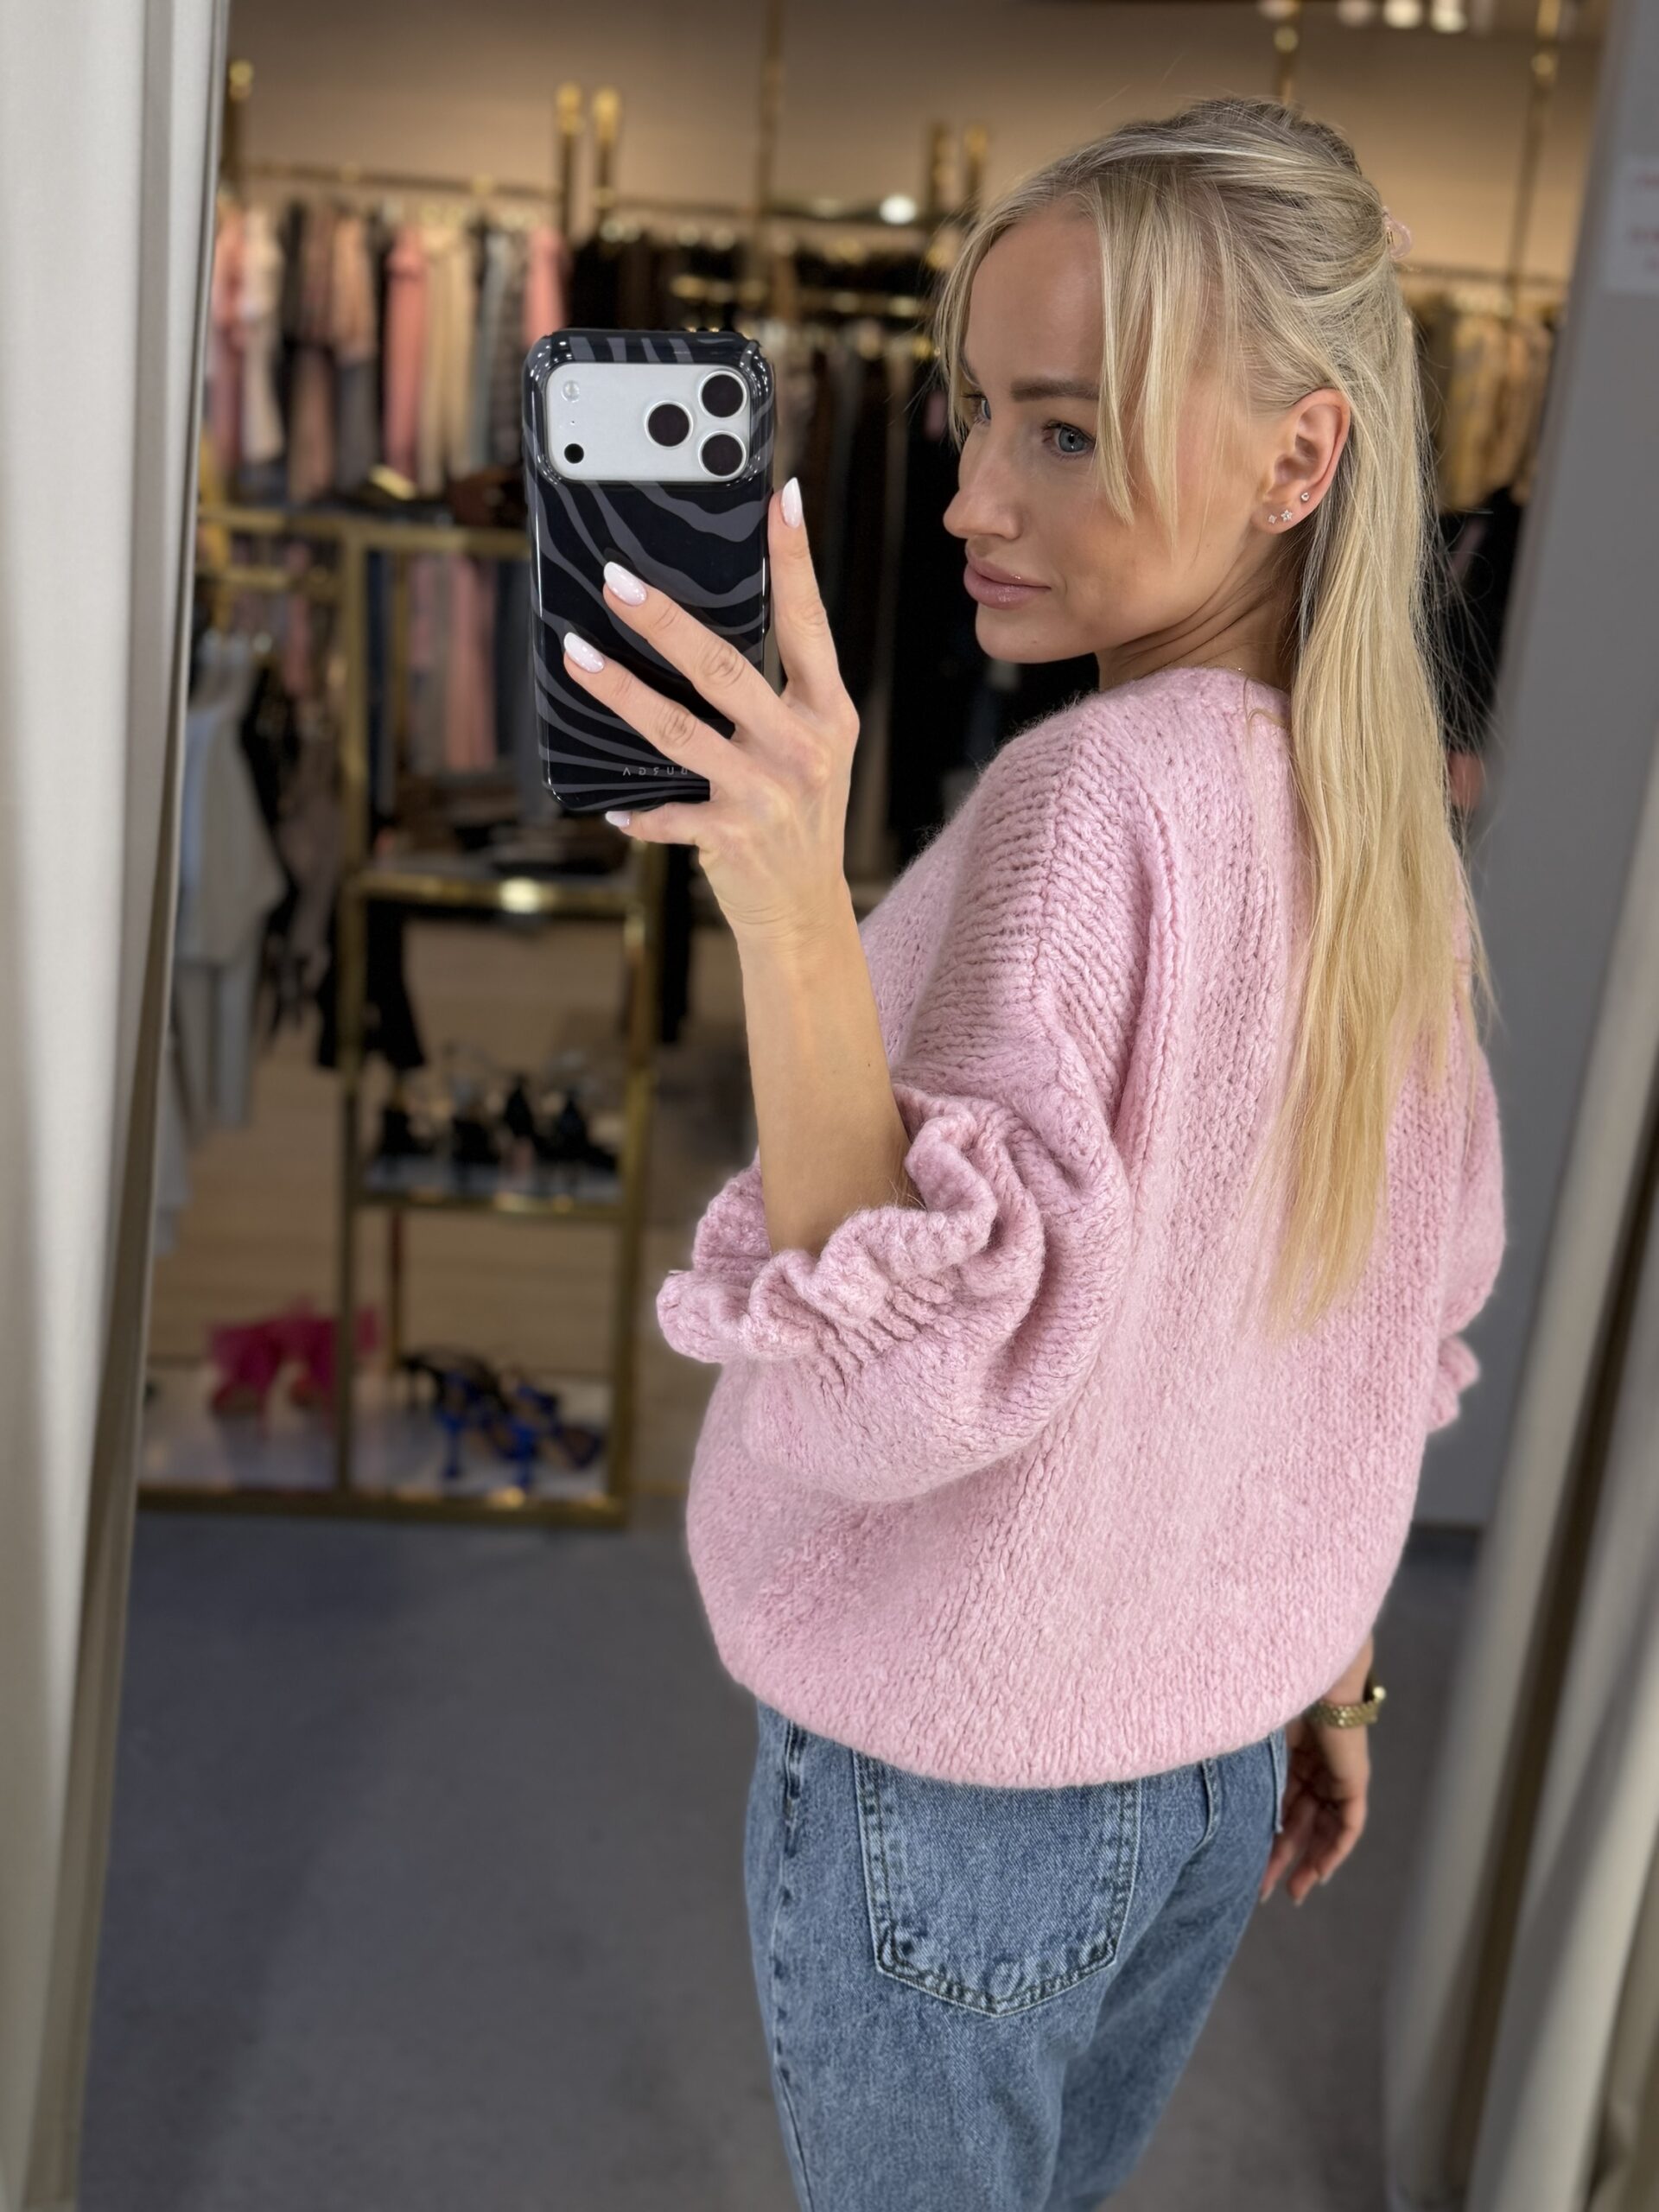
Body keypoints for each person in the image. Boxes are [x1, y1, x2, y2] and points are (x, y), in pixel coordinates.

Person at [559, 92, 1507, 2212]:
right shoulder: (1381, 832)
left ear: (1300, 457)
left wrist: (789, 899)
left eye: (1065, 430)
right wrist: (1327, 1667)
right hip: (1215, 1759)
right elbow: (1395, 1323)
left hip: (968, 1788)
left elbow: (899, 1379)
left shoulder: (1091, 808)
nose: (973, 493)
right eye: (978, 410)